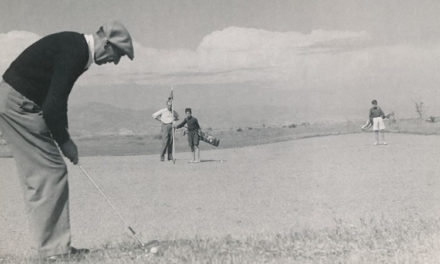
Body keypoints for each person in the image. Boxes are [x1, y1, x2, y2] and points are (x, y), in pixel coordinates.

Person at [0, 21, 134, 261]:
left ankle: (52, 249)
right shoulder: (76, 51)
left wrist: (60, 137)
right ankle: (54, 252)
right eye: (118, 54)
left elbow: (52, 101)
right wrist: (66, 142)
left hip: (15, 100)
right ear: (106, 43)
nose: (116, 61)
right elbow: (54, 106)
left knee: (43, 172)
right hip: (18, 104)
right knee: (50, 171)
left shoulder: (76, 47)